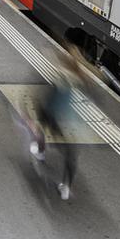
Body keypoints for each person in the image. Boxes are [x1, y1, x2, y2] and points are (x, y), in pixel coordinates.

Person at [32, 46, 85, 200]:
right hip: (70, 120)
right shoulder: (78, 78)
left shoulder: (61, 75)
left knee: (41, 127)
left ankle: (41, 153)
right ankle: (66, 187)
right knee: (71, 154)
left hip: (53, 115)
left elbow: (50, 94)